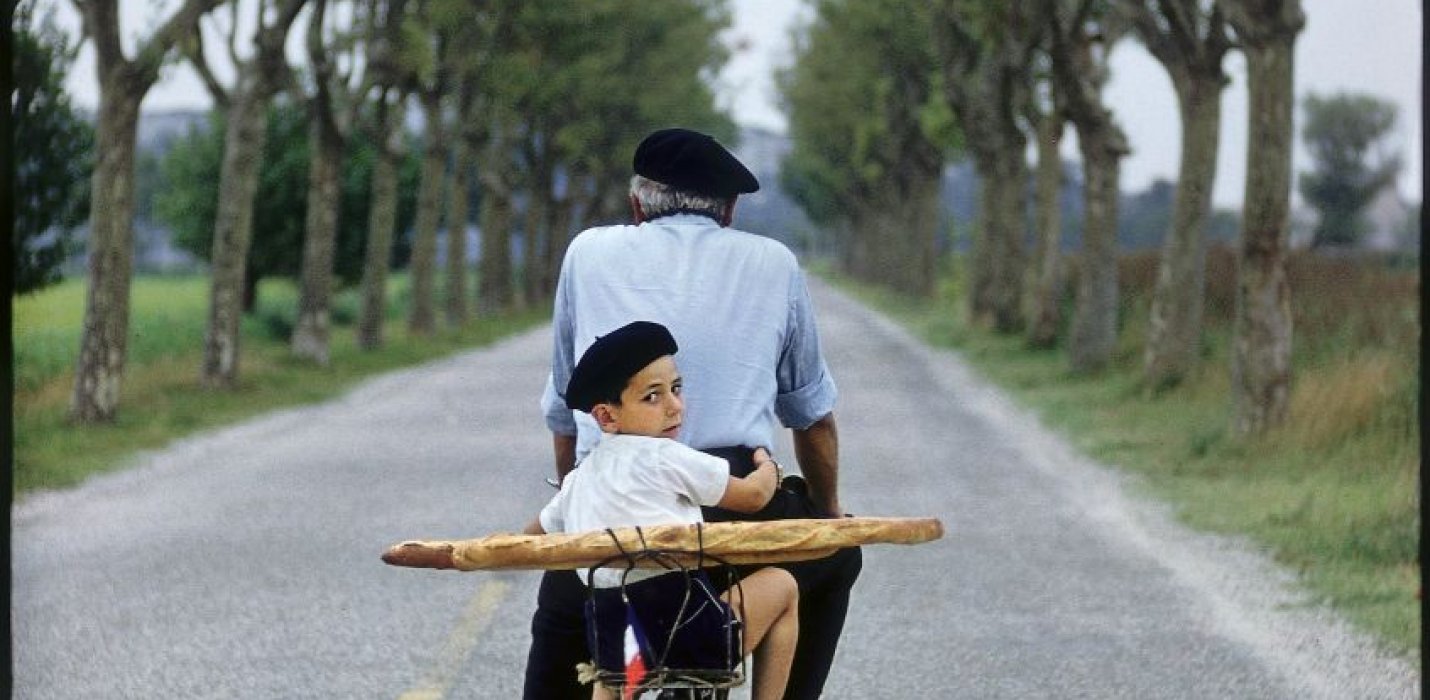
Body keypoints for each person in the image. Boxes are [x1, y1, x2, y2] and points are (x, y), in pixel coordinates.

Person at [525, 127, 862, 700]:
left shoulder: (587, 252)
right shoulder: (775, 263)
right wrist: (828, 516)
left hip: (613, 505)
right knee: (837, 559)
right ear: (728, 212)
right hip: (732, 496)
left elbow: (565, 410)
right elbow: (811, 418)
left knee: (566, 613)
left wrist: (575, 488)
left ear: (637, 205)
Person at [524, 320, 799, 700]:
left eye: (676, 388)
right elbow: (753, 497)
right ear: (606, 416)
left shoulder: (580, 478)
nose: (674, 406)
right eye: (652, 397)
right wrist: (767, 465)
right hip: (689, 640)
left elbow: (529, 537)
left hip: (620, 646)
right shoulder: (667, 457)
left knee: (611, 667)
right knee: (783, 586)